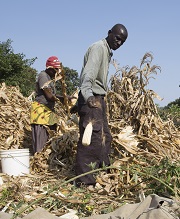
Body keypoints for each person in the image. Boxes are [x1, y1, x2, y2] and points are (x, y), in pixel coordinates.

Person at [74, 23, 128, 186]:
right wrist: (88, 97)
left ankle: (102, 174)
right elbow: (88, 75)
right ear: (109, 33)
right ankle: (84, 182)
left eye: (122, 42)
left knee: (105, 138)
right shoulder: (99, 48)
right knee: (91, 140)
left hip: (98, 99)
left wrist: (80, 102)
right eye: (117, 38)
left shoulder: (107, 52)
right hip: (93, 99)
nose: (119, 43)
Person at [30, 56, 63, 154]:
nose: (57, 72)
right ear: (49, 68)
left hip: (49, 111)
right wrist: (63, 99)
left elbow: (53, 95)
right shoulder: (43, 76)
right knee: (42, 140)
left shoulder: (50, 78)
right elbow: (49, 96)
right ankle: (39, 160)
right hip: (41, 111)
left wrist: (66, 97)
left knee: (52, 136)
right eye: (55, 70)